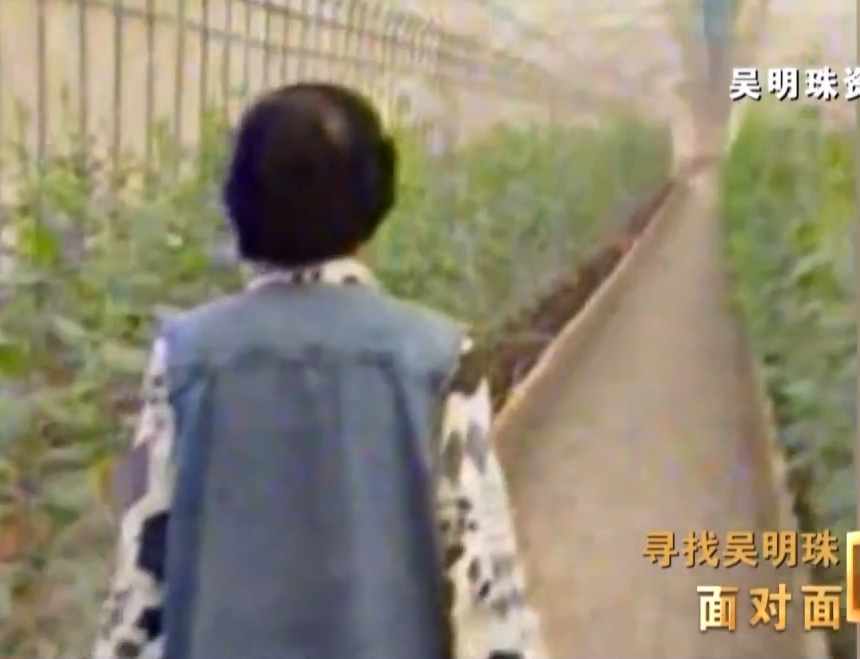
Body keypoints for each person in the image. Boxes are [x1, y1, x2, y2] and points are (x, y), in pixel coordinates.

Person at [91, 82, 545, 659]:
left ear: (239, 200)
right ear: (377, 196)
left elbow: (139, 580)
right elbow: (484, 592)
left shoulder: (184, 358)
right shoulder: (440, 360)